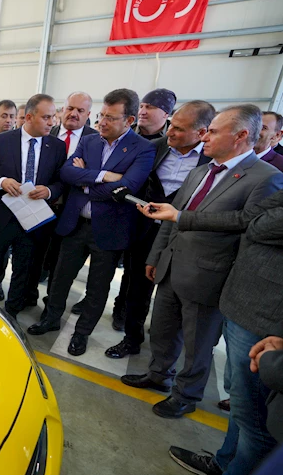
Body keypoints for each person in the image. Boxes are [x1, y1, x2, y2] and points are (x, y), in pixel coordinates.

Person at [121, 104, 283, 421]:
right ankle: (158, 374)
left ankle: (186, 395)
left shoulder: (266, 178)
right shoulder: (201, 170)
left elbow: (246, 223)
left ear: (240, 136)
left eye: (213, 132)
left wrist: (181, 217)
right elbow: (171, 217)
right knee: (162, 330)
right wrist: (157, 255)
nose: (204, 137)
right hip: (171, 266)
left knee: (197, 344)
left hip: (210, 275)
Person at [135, 188, 283, 475]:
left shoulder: (265, 177)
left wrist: (255, 219)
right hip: (245, 307)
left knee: (255, 417)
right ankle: (225, 463)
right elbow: (252, 218)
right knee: (240, 403)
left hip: (268, 316)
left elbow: (258, 225)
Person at [28, 89, 154, 358]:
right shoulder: (90, 140)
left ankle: (81, 333)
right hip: (75, 225)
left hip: (108, 232)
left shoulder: (143, 148)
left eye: (111, 117)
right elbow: (67, 173)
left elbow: (127, 187)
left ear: (129, 120)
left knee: (97, 288)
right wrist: (105, 176)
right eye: (101, 115)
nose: (102, 122)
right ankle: (50, 319)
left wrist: (85, 181)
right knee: (60, 278)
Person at [103, 101, 215, 359]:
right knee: (136, 288)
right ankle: (132, 339)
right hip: (145, 232)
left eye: (179, 128)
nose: (170, 131)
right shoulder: (154, 148)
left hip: (185, 237)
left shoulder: (212, 160)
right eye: (171, 124)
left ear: (201, 132)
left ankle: (166, 354)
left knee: (174, 297)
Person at [0, 94, 66, 316]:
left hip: (33, 219)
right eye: (46, 117)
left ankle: (11, 313)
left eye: (53, 117)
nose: (52, 122)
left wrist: (49, 190)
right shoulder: (4, 140)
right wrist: (2, 181)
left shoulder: (57, 146)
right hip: (1, 217)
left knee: (23, 270)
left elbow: (61, 181)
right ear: (30, 117)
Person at [41, 92, 98, 305]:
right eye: (70, 108)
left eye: (80, 110)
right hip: (42, 205)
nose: (74, 114)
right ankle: (29, 294)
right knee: (37, 256)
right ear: (62, 110)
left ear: (88, 114)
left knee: (62, 264)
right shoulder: (47, 132)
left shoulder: (95, 140)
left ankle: (52, 302)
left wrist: (82, 175)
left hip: (73, 212)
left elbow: (93, 176)